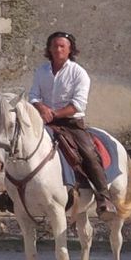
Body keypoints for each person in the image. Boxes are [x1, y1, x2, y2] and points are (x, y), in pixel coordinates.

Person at [27, 32, 109, 214]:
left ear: (70, 49)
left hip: (71, 124)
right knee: (22, 145)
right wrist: (41, 108)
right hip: (45, 121)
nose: (58, 49)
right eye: (54, 46)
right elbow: (33, 95)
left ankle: (104, 197)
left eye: (62, 46)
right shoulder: (41, 71)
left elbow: (78, 104)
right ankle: (13, 194)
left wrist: (54, 113)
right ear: (49, 49)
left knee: (88, 152)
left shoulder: (79, 73)